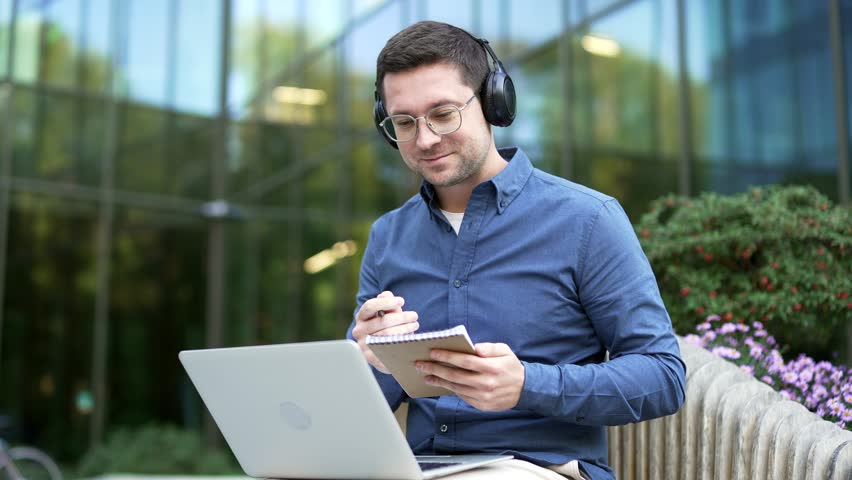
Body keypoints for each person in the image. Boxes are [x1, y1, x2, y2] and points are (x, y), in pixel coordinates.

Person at [347, 20, 686, 480]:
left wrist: (528, 384)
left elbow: (663, 378)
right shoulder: (388, 236)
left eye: (443, 114)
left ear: (493, 102)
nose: (424, 139)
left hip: (539, 468)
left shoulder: (587, 220)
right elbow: (372, 405)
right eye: (404, 123)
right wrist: (367, 360)